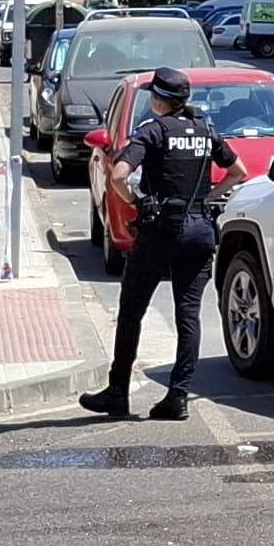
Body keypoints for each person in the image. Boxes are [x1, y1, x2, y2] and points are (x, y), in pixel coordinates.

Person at [83, 66, 229, 422]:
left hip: (160, 231)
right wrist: (208, 198)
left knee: (132, 310)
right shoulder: (205, 130)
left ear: (160, 99)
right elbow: (237, 171)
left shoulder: (153, 130)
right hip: (199, 229)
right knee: (188, 313)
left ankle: (118, 392)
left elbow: (118, 175)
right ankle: (178, 396)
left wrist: (136, 201)